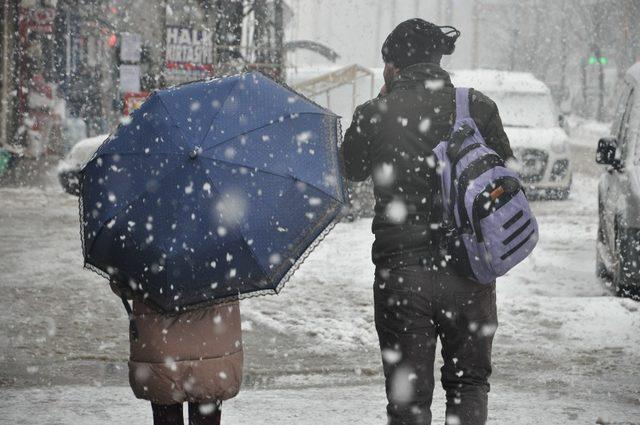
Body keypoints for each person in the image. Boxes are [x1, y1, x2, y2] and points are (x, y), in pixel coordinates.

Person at [340, 19, 513, 425]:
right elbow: (505, 176)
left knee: (409, 401)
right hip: (470, 272)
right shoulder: (478, 107)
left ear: (392, 66)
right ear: (437, 60)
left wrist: (380, 105)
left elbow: (351, 168)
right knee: (468, 383)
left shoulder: (375, 113)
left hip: (402, 274)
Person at [111, 279, 243, 425]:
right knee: (206, 413)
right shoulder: (222, 256)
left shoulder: (142, 256)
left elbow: (123, 286)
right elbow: (241, 278)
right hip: (211, 343)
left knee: (166, 413)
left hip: (161, 342)